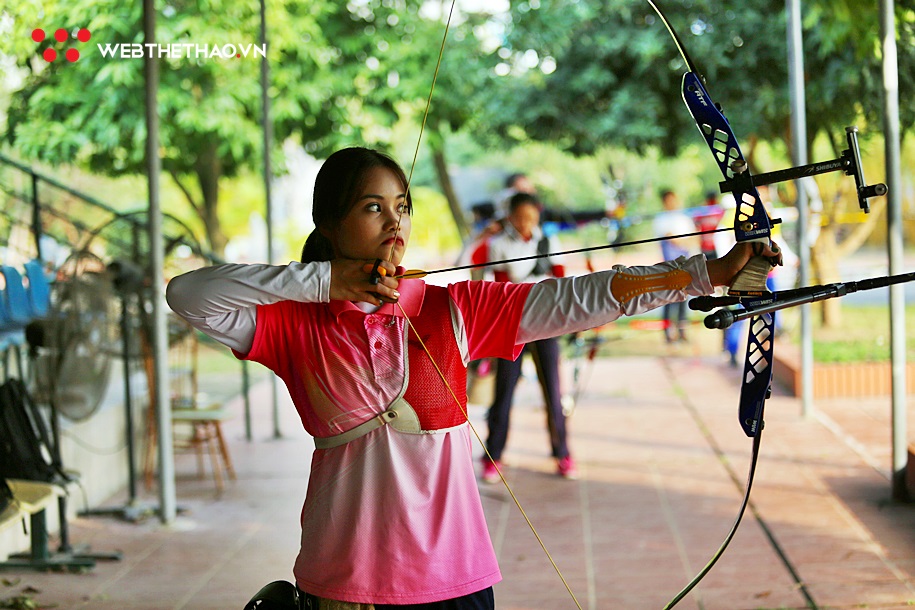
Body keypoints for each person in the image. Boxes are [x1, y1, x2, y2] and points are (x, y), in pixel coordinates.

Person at [166, 146, 781, 610]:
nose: (393, 223)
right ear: (328, 222)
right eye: (372, 206)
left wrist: (711, 272)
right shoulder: (295, 326)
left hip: (455, 582)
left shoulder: (451, 309)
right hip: (344, 588)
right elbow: (189, 293)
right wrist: (328, 282)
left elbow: (586, 296)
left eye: (401, 207)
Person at [481, 192, 575, 482]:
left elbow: (560, 280)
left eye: (531, 217)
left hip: (546, 324)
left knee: (553, 391)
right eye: (520, 217)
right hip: (513, 326)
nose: (526, 223)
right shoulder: (497, 245)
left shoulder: (549, 242)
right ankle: (493, 455)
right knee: (504, 391)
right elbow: (498, 287)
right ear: (509, 216)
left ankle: (563, 453)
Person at [652, 190, 700, 343]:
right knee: (668, 299)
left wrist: (686, 243)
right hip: (668, 265)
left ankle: (681, 330)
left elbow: (693, 238)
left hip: (684, 264)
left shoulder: (684, 218)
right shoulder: (661, 219)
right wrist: (683, 242)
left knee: (683, 297)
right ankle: (667, 331)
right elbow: (671, 238)